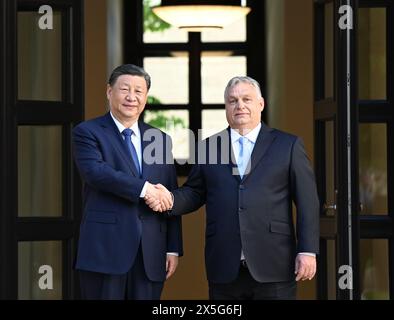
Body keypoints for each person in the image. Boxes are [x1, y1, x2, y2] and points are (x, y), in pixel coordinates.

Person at [146, 76, 319, 300]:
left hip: (274, 262)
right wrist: (168, 198)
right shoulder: (208, 146)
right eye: (232, 100)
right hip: (224, 264)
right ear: (226, 106)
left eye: (247, 99)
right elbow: (195, 192)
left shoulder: (288, 145)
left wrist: (307, 250)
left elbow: (307, 201)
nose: (240, 106)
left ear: (261, 104)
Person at [72, 64, 183, 300]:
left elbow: (169, 193)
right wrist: (144, 190)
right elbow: (96, 172)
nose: (131, 97)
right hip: (105, 250)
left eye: (139, 91)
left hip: (151, 254)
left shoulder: (160, 140)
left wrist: (172, 247)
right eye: (124, 89)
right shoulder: (88, 132)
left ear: (145, 97)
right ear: (109, 92)